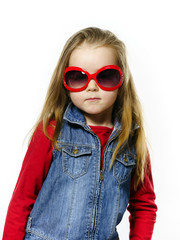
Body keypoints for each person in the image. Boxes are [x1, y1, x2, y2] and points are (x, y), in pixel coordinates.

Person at [3, 27, 157, 240]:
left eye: (106, 76)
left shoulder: (130, 140)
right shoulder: (51, 132)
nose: (92, 86)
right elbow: (23, 198)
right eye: (78, 77)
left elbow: (144, 204)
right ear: (65, 84)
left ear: (122, 82)